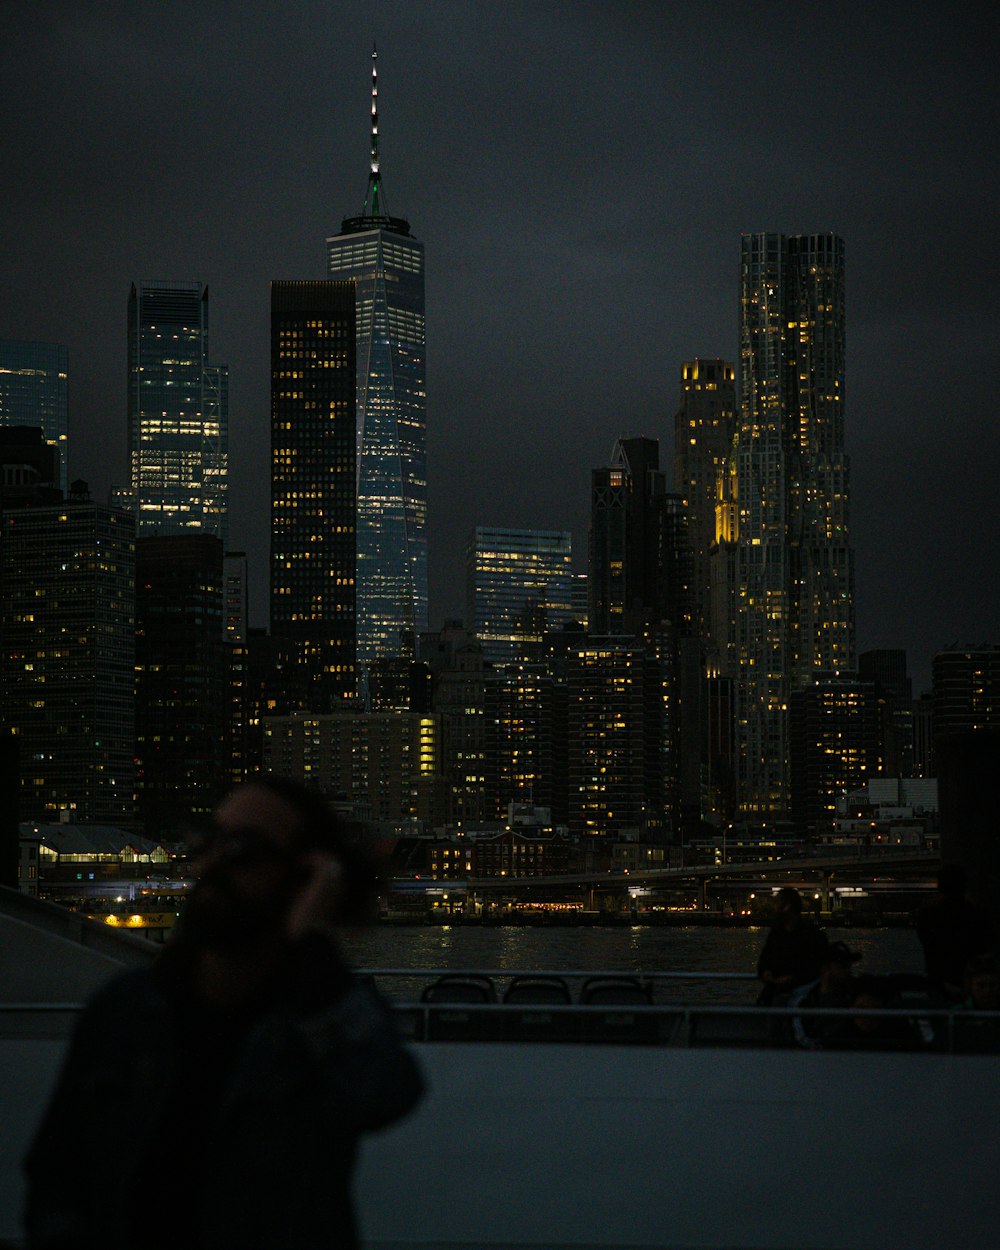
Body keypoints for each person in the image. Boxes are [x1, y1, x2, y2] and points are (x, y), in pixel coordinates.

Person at [24, 777, 424, 1250]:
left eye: (243, 848)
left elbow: (384, 1093)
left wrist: (310, 946)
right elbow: (56, 1172)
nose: (215, 862)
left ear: (305, 879)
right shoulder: (125, 1008)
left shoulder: (321, 1013)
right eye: (210, 841)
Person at [916, 864, 995, 999]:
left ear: (940, 887)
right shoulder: (977, 914)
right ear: (965, 887)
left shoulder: (929, 915)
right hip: (971, 980)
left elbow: (928, 945)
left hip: (939, 979)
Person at [756, 886, 829, 1006]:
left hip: (800, 995)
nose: (773, 907)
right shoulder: (777, 933)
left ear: (787, 906)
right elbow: (764, 961)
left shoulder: (810, 935)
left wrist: (790, 978)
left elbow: (817, 966)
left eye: (776, 903)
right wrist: (765, 972)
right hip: (779, 991)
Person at [789, 940, 861, 1049]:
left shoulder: (856, 993)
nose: (848, 971)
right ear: (825, 969)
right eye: (842, 967)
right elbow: (802, 1038)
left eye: (848, 966)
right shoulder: (805, 999)